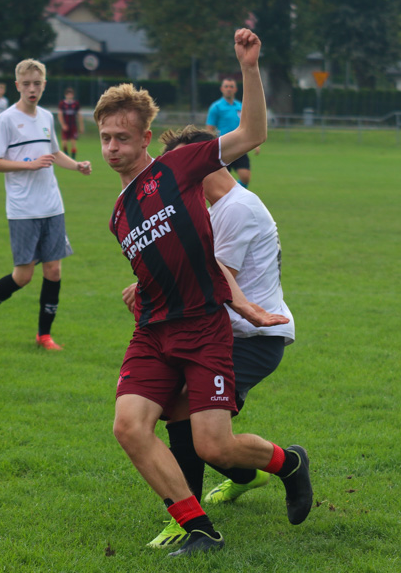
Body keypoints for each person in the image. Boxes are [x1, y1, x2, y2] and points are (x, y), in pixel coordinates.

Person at [94, 28, 312, 558]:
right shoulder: (119, 215)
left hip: (202, 328)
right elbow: (173, 265)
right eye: (104, 139)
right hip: (153, 332)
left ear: (146, 137)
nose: (113, 148)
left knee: (211, 442)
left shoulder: (180, 167)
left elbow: (253, 132)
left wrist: (250, 68)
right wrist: (141, 291)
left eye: (123, 138)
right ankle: (198, 528)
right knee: (129, 425)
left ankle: (289, 463)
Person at [121, 125, 296, 549]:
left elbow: (210, 281)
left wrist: (148, 290)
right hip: (218, 332)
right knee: (200, 430)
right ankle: (241, 480)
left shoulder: (237, 209)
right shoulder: (212, 208)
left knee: (201, 430)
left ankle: (194, 517)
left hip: (252, 337)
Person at [0, 59, 92, 351]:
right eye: (26, 84)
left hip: (52, 205)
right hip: (23, 209)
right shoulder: (7, 120)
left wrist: (77, 166)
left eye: (37, 83)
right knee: (23, 276)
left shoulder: (47, 117)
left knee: (54, 271)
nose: (32, 89)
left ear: (44, 84)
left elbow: (55, 152)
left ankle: (44, 336)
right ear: (17, 86)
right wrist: (28, 164)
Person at [206, 78, 259, 188]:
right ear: (222, 89)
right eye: (226, 86)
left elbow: (248, 126)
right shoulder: (216, 107)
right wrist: (208, 147)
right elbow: (209, 129)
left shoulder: (241, 106)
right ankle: (227, 199)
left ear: (235, 89)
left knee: (245, 176)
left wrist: (256, 143)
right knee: (223, 180)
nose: (228, 89)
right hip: (224, 148)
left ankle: (236, 194)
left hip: (240, 146)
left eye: (231, 87)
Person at [57, 87, 83, 160]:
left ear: (73, 95)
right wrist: (63, 125)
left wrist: (81, 126)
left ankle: (73, 159)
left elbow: (79, 115)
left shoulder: (76, 104)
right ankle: (67, 158)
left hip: (73, 126)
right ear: (65, 95)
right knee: (64, 145)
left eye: (71, 94)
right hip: (65, 127)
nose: (69, 96)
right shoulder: (62, 104)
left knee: (73, 144)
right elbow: (60, 115)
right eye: (68, 94)